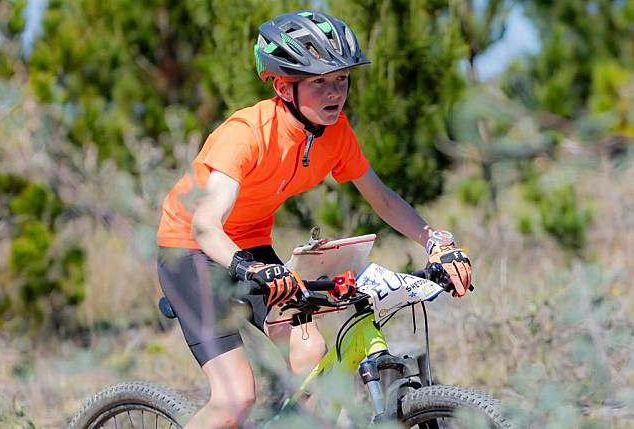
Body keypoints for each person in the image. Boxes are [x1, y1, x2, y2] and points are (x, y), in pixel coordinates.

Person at [156, 10, 472, 429]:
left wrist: (438, 243)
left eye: (341, 79)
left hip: (249, 245)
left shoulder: (335, 132)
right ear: (284, 87)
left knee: (312, 356)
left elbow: (384, 201)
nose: (335, 92)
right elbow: (206, 224)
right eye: (319, 81)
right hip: (191, 250)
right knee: (235, 398)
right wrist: (250, 267)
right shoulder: (246, 133)